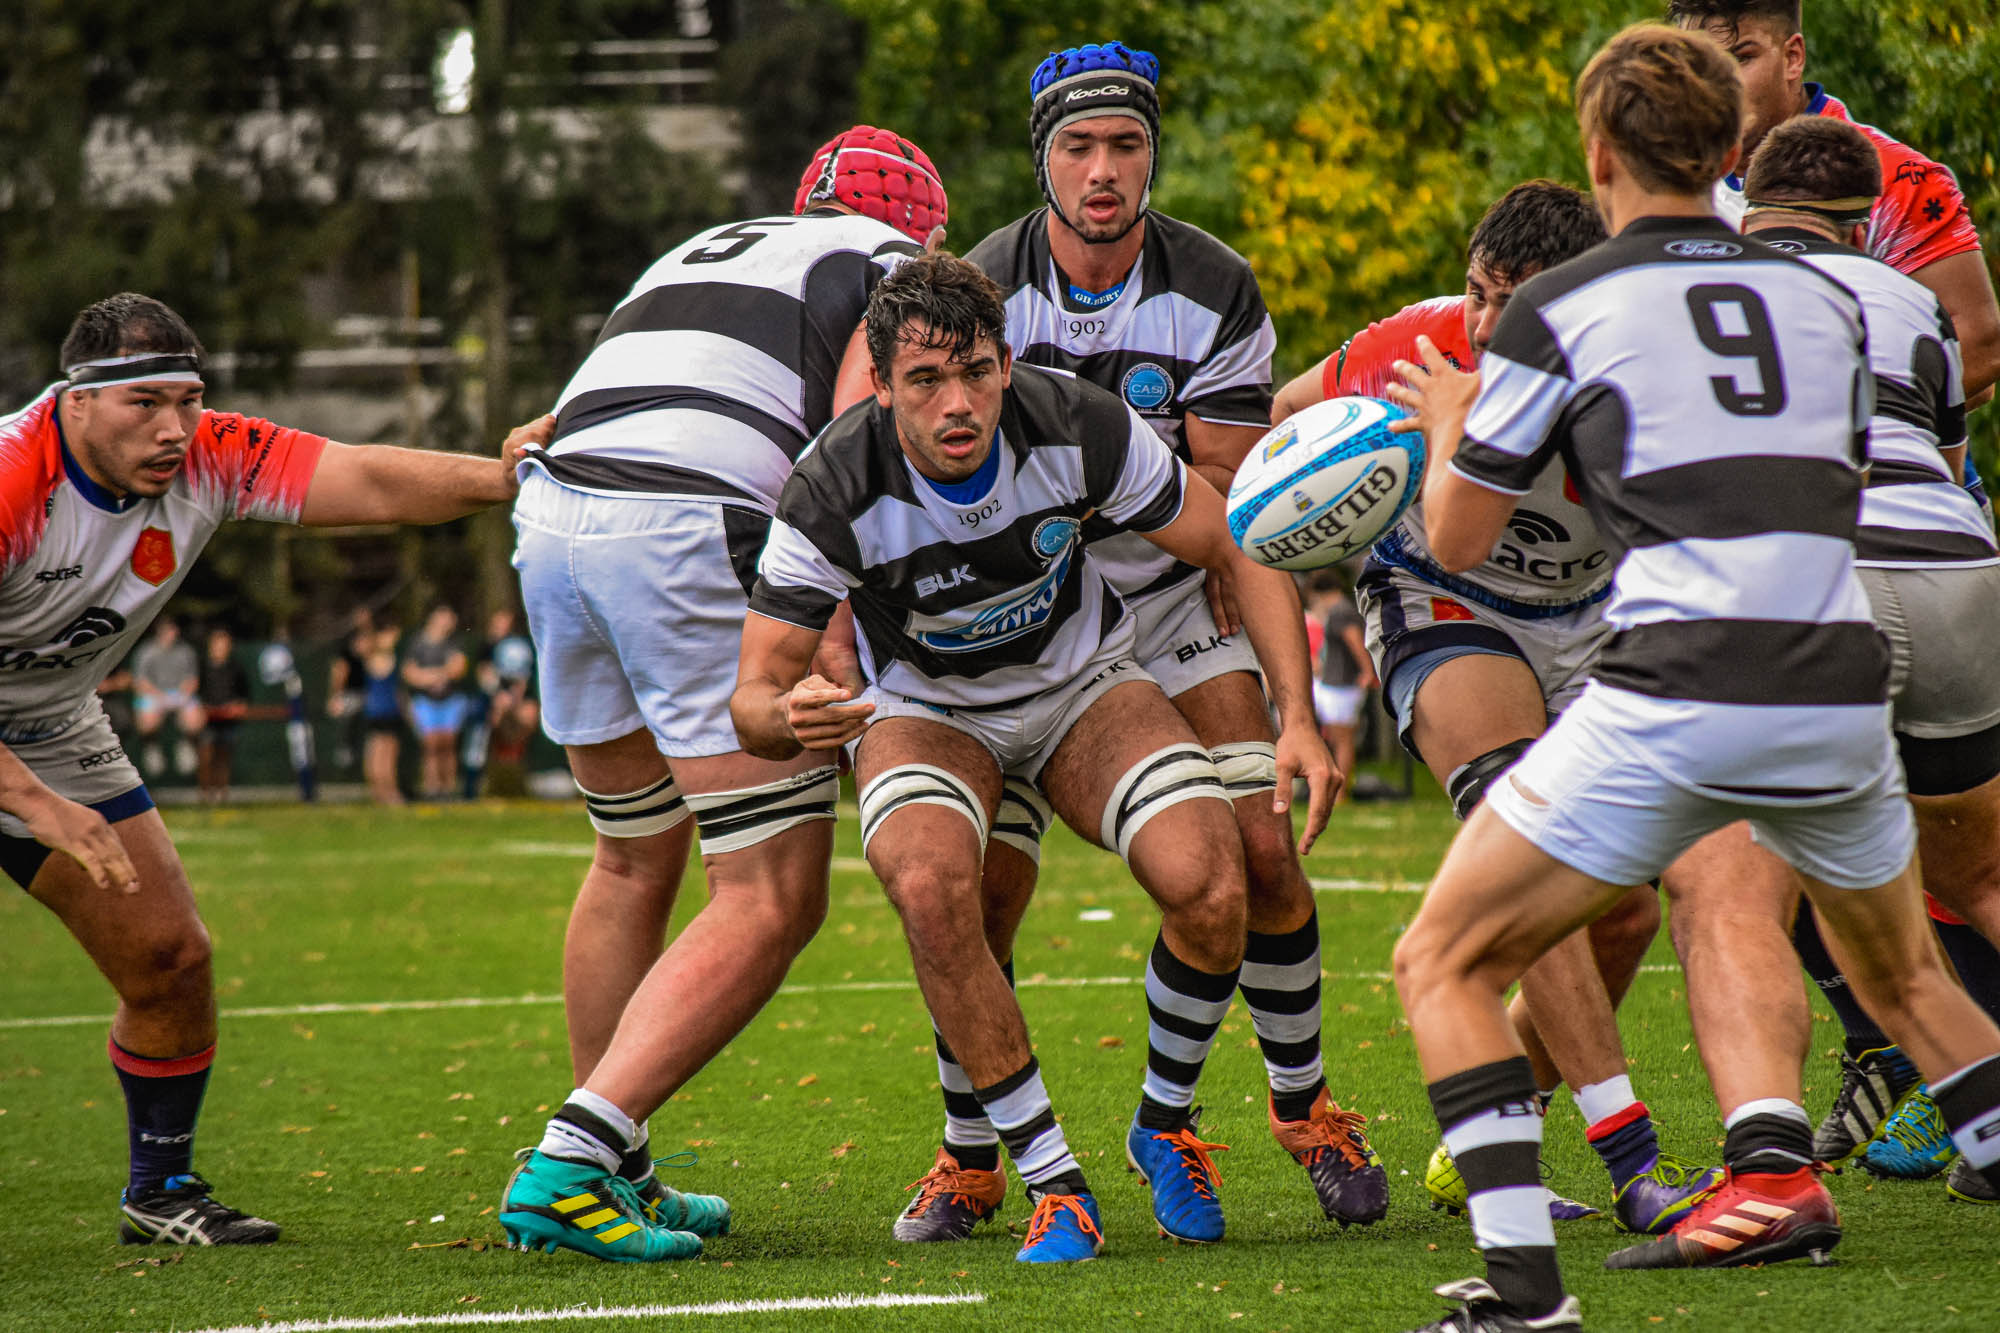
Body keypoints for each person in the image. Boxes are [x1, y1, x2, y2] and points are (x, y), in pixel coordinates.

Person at [1387, 26, 2000, 1330]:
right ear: (1730, 153)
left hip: (1679, 685)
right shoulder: (1836, 297)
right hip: (1836, 678)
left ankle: (1521, 1301)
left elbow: (1457, 539)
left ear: (1599, 152)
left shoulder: (1567, 300)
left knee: (1440, 961)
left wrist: (1451, 425)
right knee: (1912, 989)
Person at [733, 251, 1335, 1263]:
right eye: (924, 380)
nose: (955, 401)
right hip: (927, 710)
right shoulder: (831, 484)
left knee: (1213, 877)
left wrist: (1300, 718)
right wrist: (790, 714)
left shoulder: (1078, 423)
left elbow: (1231, 539)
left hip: (1080, 686)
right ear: (881, 390)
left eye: (974, 369)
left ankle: (1158, 1122)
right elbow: (751, 697)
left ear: (1005, 363)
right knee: (933, 887)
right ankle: (1048, 1181)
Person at [892, 39, 1384, 1248]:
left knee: (1255, 850)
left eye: (1124, 146)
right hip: (1010, 613)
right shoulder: (980, 288)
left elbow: (1222, 503)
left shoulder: (1213, 283)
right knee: (976, 893)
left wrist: (1292, 704)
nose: (1102, 171)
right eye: (1077, 146)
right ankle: (969, 1155)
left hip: (1170, 600)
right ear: (1040, 157)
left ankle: (1281, 1104)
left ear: (1151, 154)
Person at [0, 291, 546, 1245]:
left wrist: (507, 478)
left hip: (48, 724)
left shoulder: (209, 450)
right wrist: (35, 804)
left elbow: (368, 479)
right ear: (74, 402)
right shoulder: (13, 477)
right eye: (145, 405)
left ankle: (159, 1192)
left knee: (171, 959)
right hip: (27, 765)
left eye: (189, 399)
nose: (175, 428)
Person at [495, 127, 947, 1265]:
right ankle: (569, 1159)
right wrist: (835, 629)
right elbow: (861, 425)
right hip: (688, 526)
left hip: (557, 520)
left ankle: (617, 1165)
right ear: (925, 228)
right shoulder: (890, 263)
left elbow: (581, 405)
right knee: (769, 890)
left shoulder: (704, 250)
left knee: (629, 855)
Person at [1276, 180, 1716, 1236]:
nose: (1481, 324)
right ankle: (1632, 1160)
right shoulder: (1418, 348)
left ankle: (1488, 1126)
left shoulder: (1634, 379)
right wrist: (1353, 473)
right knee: (1524, 823)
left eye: (1511, 304)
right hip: (1442, 599)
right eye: (1476, 290)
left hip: (1587, 617)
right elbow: (1289, 417)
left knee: (1622, 910)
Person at [1670, 0, 2000, 1174]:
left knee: (1726, 882)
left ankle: (1764, 1177)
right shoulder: (1901, 297)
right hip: (1957, 567)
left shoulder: (1698, 278)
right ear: (1859, 222)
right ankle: (1946, 1088)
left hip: (1809, 577)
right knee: (1975, 866)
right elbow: (1949, 452)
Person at [1668, 0, 2000, 404]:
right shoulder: (1679, 185)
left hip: (1886, 463)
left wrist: (1827, 428)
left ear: (1793, 57)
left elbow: (1980, 345)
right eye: (1701, 65)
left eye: (1742, 58)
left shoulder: (1897, 176)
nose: (1719, 86)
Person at [1307, 573, 1377, 805]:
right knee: (1339, 741)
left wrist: (1368, 671)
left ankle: (1341, 793)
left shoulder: (1340, 611)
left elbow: (1355, 642)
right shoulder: (1341, 610)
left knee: (1343, 741)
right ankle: (1337, 791)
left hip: (1342, 685)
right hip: (1336, 685)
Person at [402, 605, 469, 799]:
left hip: (451, 700)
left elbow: (458, 669)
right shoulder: (418, 643)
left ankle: (449, 789)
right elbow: (409, 673)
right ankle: (432, 787)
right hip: (426, 701)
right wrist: (439, 675)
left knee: (448, 743)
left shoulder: (456, 642)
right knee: (430, 744)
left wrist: (429, 674)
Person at [129, 618, 202, 777]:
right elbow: (140, 682)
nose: (172, 634)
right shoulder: (146, 651)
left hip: (179, 695)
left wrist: (183, 694)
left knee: (195, 718)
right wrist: (159, 697)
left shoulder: (186, 651)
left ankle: (186, 745)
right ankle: (151, 748)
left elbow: (192, 680)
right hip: (153, 695)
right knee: (148, 720)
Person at [193, 626, 248, 805]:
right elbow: (195, 692)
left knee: (224, 757)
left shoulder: (237, 668)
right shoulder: (202, 667)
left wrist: (236, 707)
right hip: (207, 718)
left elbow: (244, 696)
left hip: (228, 720)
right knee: (206, 755)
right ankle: (205, 794)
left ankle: (221, 794)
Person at [359, 624, 405, 805]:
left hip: (378, 712)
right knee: (385, 755)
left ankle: (380, 793)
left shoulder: (373, 659)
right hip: (385, 713)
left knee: (377, 753)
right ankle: (389, 794)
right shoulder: (382, 659)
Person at [325, 609, 373, 773]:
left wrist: (366, 624)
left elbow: (371, 644)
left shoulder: (366, 655)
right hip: (350, 696)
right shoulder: (345, 653)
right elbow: (339, 674)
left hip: (366, 696)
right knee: (347, 726)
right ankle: (345, 754)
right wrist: (335, 697)